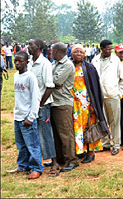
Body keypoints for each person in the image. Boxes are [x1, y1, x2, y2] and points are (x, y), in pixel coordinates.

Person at [7, 51, 44, 179]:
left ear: (27, 62)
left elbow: (36, 98)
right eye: (15, 60)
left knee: (32, 144)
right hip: (18, 115)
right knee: (21, 144)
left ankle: (36, 168)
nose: (17, 63)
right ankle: (23, 165)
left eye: (20, 61)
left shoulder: (30, 77)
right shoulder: (16, 76)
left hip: (28, 117)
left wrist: (31, 116)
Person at [71, 44, 110, 162]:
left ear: (84, 54)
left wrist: (94, 104)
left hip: (87, 104)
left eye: (81, 52)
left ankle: (91, 153)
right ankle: (80, 150)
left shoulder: (89, 67)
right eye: (76, 52)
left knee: (90, 128)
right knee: (77, 128)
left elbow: (95, 87)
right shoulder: (69, 66)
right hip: (74, 105)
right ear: (71, 53)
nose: (78, 54)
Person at [27, 38, 59, 177]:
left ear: (38, 47)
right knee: (33, 134)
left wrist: (40, 105)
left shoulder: (45, 64)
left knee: (45, 133)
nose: (28, 47)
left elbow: (49, 87)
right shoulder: (29, 63)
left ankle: (54, 163)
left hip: (43, 105)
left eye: (31, 45)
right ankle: (37, 161)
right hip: (31, 105)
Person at [92, 40, 123, 155]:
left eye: (111, 49)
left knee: (114, 121)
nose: (110, 51)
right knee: (103, 121)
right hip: (100, 97)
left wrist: (120, 93)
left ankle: (116, 144)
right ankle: (105, 143)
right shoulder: (95, 60)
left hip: (113, 95)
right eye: (107, 49)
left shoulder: (115, 60)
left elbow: (122, 78)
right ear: (101, 48)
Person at [51, 42, 79, 172]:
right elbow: (50, 79)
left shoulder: (67, 65)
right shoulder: (55, 64)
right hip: (54, 102)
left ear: (57, 51)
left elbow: (57, 81)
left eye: (52, 50)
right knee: (56, 134)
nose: (50, 52)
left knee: (65, 133)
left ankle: (72, 160)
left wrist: (53, 82)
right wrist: (52, 81)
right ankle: (60, 158)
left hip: (63, 103)